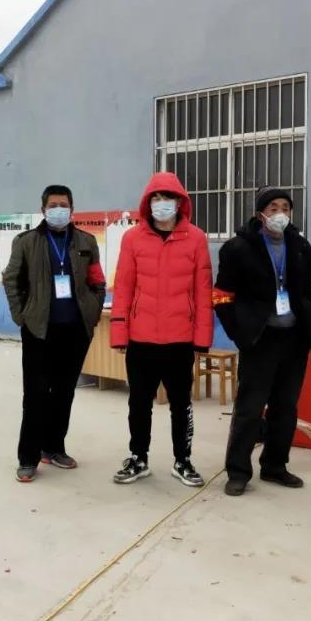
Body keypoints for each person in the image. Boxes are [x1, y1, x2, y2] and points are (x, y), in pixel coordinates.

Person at [213, 187, 311, 496]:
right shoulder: (238, 248)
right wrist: (240, 333)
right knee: (250, 408)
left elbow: (305, 290)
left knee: (285, 407)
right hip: (260, 339)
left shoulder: (300, 246)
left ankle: (275, 466)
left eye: (285, 207)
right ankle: (238, 471)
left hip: (294, 339)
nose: (280, 214)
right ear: (261, 213)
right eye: (273, 207)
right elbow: (221, 296)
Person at [109, 172, 213, 487]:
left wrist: (202, 338)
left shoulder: (196, 238)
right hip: (141, 340)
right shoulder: (132, 239)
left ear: (179, 202)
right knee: (139, 404)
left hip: (180, 340)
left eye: (168, 197)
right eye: (156, 198)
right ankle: (138, 457)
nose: (162, 203)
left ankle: (183, 460)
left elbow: (203, 291)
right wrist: (119, 332)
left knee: (181, 405)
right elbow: (123, 288)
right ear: (147, 202)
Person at [2, 185, 107, 483]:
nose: (58, 209)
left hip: (75, 331)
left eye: (63, 205)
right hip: (39, 331)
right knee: (35, 394)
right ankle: (28, 457)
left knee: (64, 392)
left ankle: (54, 448)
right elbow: (11, 280)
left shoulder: (86, 241)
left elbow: (97, 281)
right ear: (43, 209)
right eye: (53, 205)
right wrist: (22, 316)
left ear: (71, 210)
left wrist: (92, 312)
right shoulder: (26, 242)